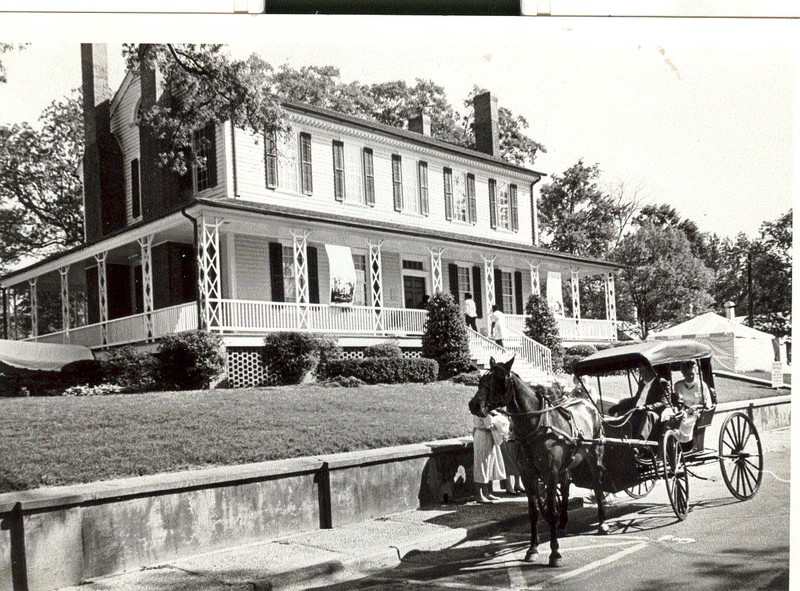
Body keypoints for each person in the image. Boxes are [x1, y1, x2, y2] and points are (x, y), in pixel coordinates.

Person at [608, 362, 670, 442]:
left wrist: (646, 407)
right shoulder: (642, 383)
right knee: (622, 414)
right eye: (640, 371)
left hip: (654, 413)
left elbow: (664, 403)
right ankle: (619, 441)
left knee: (648, 415)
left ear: (651, 371)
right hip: (637, 411)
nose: (641, 373)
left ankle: (640, 443)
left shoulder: (662, 383)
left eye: (643, 371)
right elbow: (636, 399)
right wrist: (616, 407)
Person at [472, 410, 508, 503]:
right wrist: (498, 418)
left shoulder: (488, 410)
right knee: (482, 463)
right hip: (482, 435)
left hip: (489, 435)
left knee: (490, 462)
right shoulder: (480, 411)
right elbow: (490, 422)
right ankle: (479, 495)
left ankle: (487, 492)